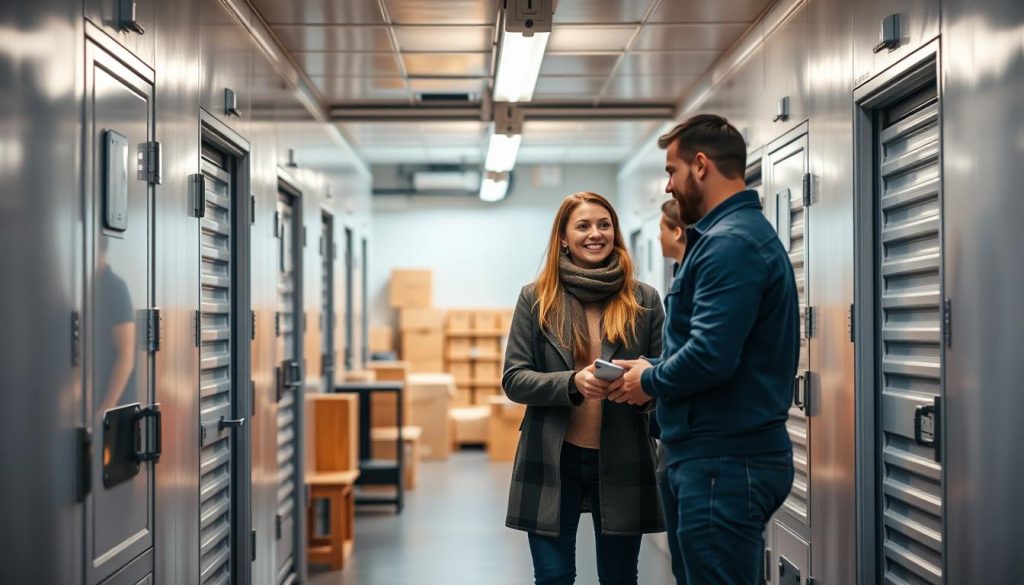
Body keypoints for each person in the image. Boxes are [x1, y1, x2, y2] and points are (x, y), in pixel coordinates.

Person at [610, 114, 799, 585]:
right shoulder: (718, 240)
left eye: (671, 172)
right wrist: (651, 366)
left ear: (700, 166)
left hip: (725, 462)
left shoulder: (730, 244)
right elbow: (707, 346)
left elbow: (712, 356)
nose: (668, 187)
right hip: (709, 458)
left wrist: (647, 380)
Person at [502, 191, 665, 585]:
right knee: (554, 576)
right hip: (552, 457)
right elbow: (514, 378)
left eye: (604, 224)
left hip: (624, 453)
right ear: (563, 237)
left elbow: (666, 372)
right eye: (583, 225)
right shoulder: (536, 298)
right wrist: (572, 383)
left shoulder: (643, 299)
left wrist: (641, 386)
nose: (596, 234)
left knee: (619, 577)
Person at [652, 198, 686, 581]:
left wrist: (647, 377)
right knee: (684, 565)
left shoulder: (696, 279)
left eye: (661, 227)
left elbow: (705, 358)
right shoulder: (681, 277)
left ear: (676, 231)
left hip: (696, 450)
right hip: (674, 446)